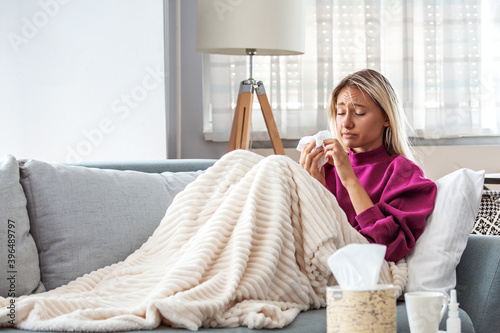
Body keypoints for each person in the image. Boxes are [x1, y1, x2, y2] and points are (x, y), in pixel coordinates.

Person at [299, 69, 437, 263]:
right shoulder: (320, 165)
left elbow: (386, 247)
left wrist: (350, 180)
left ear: (387, 118)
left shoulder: (403, 174)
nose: (346, 123)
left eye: (359, 113)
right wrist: (313, 189)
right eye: (340, 112)